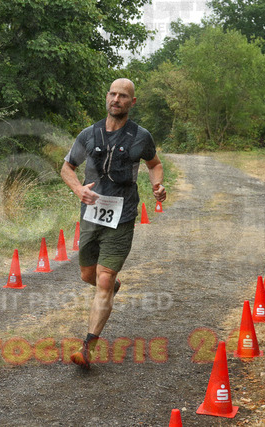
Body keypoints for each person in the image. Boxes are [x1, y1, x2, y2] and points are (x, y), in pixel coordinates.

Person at [60, 78, 166, 369]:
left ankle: (87, 347)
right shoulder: (89, 134)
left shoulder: (140, 136)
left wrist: (157, 185)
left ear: (133, 102)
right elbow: (67, 167)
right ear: (107, 97)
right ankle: (111, 285)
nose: (116, 99)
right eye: (113, 94)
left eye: (123, 96)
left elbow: (154, 164)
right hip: (92, 212)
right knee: (88, 275)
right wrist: (78, 189)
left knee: (103, 279)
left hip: (123, 214)